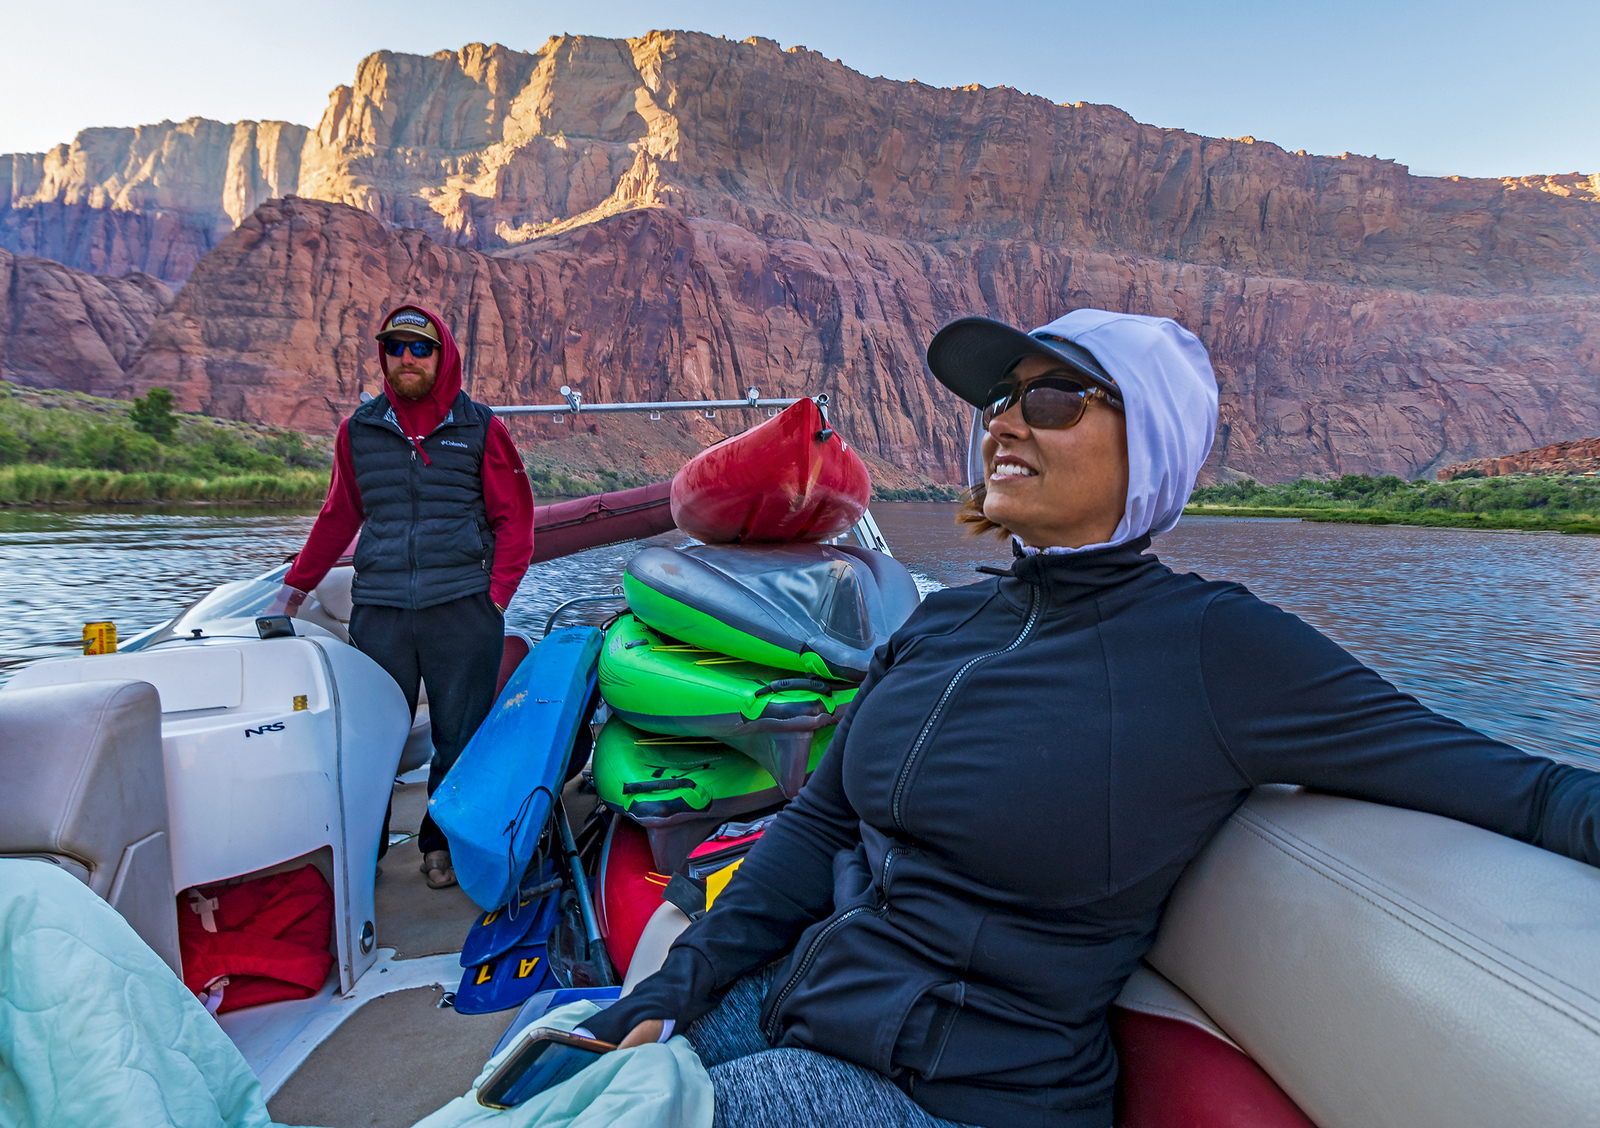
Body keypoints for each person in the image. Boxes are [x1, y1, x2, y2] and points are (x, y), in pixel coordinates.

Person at [581, 309, 1600, 1128]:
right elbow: (822, 823)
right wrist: (684, 982)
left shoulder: (1217, 651)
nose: (1004, 423)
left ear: (1147, 443)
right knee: (549, 1081)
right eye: (1000, 398)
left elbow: (1518, 785)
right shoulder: (945, 624)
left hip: (959, 1092)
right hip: (804, 1006)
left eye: (1055, 397)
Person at [268, 305, 535, 890]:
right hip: (382, 608)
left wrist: (495, 598)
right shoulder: (359, 431)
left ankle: (441, 846)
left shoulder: (482, 428)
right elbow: (339, 515)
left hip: (463, 608)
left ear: (443, 357)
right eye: (396, 348)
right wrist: (293, 592)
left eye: (421, 349)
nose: (407, 359)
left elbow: (516, 519)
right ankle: (366, 850)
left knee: (457, 736)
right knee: (374, 737)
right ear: (384, 356)